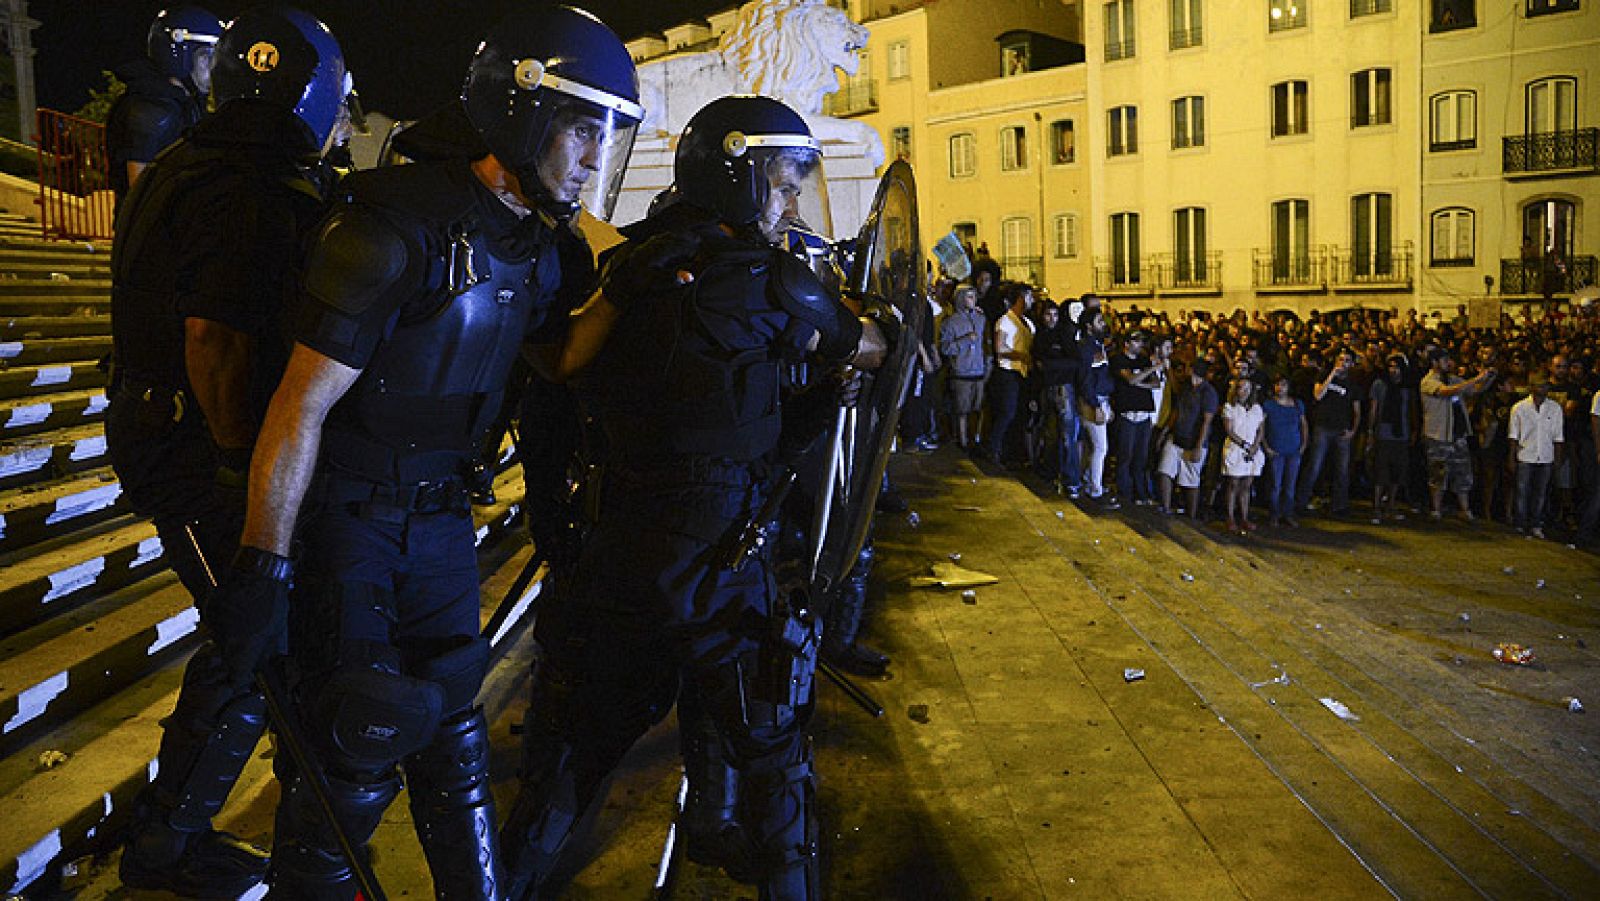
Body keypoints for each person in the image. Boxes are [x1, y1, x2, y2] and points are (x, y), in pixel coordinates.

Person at [205, 8, 644, 897]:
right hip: (349, 521)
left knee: (456, 739)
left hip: (443, 522)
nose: (597, 157)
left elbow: (554, 356)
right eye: (581, 128)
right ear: (519, 114)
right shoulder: (385, 229)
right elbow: (300, 406)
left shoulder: (540, 249)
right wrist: (262, 564)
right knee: (354, 752)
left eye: (610, 134)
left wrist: (626, 291)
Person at [497, 95, 887, 901]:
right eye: (781, 186)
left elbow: (550, 397)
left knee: (567, 769)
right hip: (718, 563)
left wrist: (553, 513)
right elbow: (874, 347)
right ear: (737, 176)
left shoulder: (619, 269)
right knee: (774, 761)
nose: (789, 206)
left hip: (614, 552)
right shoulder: (767, 280)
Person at [105, 8, 353, 896]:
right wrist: (243, 471)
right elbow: (215, 342)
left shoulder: (196, 159)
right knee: (253, 634)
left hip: (162, 429)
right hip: (191, 444)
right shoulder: (247, 181)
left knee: (247, 639)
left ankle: (171, 833)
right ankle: (164, 844)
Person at [107, 6, 223, 205]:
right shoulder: (152, 112)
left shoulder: (181, 104)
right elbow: (140, 196)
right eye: (206, 57)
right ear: (180, 56)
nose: (212, 69)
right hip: (155, 233)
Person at [1420, 348, 1493, 520]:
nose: (1449, 363)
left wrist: (1488, 377)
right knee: (1438, 473)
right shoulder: (1428, 381)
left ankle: (1464, 509)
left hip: (1458, 434)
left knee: (1463, 473)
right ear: (1434, 362)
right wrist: (1476, 379)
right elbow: (1447, 391)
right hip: (1438, 435)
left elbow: (1474, 390)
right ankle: (1436, 509)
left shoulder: (1452, 379)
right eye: (1444, 360)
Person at [1296, 348, 1364, 516]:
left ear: (1352, 364)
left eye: (1347, 360)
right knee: (1314, 465)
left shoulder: (1353, 384)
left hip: (1342, 430)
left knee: (1342, 469)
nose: (1343, 363)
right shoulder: (1324, 375)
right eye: (1340, 359)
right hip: (1323, 427)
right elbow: (1318, 395)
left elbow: (1357, 410)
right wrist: (1332, 374)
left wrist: (1353, 431)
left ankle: (1339, 506)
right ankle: (1300, 502)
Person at [1156, 358, 1217, 519]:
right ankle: (1166, 507)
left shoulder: (1208, 393)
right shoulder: (1186, 387)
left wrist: (1199, 446)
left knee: (1190, 480)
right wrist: (1166, 431)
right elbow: (1177, 410)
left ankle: (1191, 515)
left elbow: (1206, 421)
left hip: (1193, 441)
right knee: (1164, 470)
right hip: (1177, 436)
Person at [1033, 299, 1082, 496]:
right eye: (1048, 315)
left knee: (1067, 437)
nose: (1051, 319)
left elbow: (1074, 361)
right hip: (1047, 388)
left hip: (1063, 387)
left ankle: (1071, 479)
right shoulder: (1041, 336)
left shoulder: (1064, 335)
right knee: (1051, 435)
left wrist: (1050, 365)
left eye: (1054, 315)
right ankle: (1052, 473)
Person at [986, 281, 1035, 465]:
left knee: (1019, 414)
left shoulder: (1028, 322)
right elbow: (1000, 348)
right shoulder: (1005, 320)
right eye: (1029, 297)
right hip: (1008, 371)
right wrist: (1019, 355)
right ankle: (994, 448)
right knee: (1007, 413)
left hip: (1022, 373)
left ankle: (1013, 453)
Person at [1508, 378, 1564, 539]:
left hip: (1546, 456)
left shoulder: (1554, 408)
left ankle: (1536, 524)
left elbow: (1558, 437)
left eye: (1546, 385)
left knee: (1540, 493)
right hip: (1525, 455)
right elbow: (1513, 435)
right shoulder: (1519, 408)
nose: (1543, 388)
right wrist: (1511, 458)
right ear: (1531, 387)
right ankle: (1520, 523)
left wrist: (1557, 460)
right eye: (1540, 385)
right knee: (1522, 492)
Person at [1110, 330, 1161, 505]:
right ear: (1127, 343)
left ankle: (1140, 493)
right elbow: (1129, 379)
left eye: (1141, 342)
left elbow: (1155, 383)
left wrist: (1139, 381)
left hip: (1144, 414)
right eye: (1136, 341)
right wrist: (1152, 369)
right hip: (1127, 414)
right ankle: (1124, 491)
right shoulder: (1118, 360)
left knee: (1141, 457)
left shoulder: (1143, 360)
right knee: (1126, 455)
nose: (1140, 345)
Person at [938, 282, 986, 449]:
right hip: (961, 372)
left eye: (974, 297)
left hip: (979, 371)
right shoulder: (950, 323)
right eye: (969, 297)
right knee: (962, 410)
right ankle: (963, 442)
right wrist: (965, 341)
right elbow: (945, 348)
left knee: (977, 409)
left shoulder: (980, 319)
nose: (973, 300)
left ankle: (976, 440)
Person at [1367, 354, 1413, 523]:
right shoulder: (1380, 384)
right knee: (1381, 471)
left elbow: (1409, 410)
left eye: (1397, 367)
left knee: (1397, 471)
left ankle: (1391, 504)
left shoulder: (1406, 387)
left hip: (1401, 433)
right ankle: (1377, 506)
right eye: (1391, 367)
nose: (1394, 371)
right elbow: (1374, 408)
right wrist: (1371, 431)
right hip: (1384, 432)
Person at [1077, 302, 1115, 505]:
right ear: (1088, 326)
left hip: (1101, 399)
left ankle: (1087, 481)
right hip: (1093, 402)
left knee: (1094, 448)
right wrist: (1094, 405)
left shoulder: (1098, 346)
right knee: (1100, 448)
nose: (1103, 324)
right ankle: (1095, 489)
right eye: (1099, 321)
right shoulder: (1086, 348)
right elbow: (1086, 379)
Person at [1262, 374, 1308, 527]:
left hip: (1293, 449)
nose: (1279, 388)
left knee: (1290, 485)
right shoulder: (1269, 405)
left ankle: (1287, 513)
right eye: (1277, 385)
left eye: (1283, 385)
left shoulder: (1297, 404)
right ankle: (1274, 514)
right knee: (1276, 485)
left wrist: (1303, 444)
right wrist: (1266, 446)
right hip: (1276, 450)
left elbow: (1303, 425)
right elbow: (1261, 426)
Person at [1220, 378, 1265, 532]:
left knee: (1246, 485)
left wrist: (1255, 446)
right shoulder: (1229, 407)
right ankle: (1230, 517)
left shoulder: (1257, 408)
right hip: (1236, 449)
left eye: (1248, 389)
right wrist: (1245, 445)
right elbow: (1229, 431)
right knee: (1233, 484)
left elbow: (1260, 429)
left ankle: (1244, 517)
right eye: (1241, 388)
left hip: (1252, 450)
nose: (1244, 392)